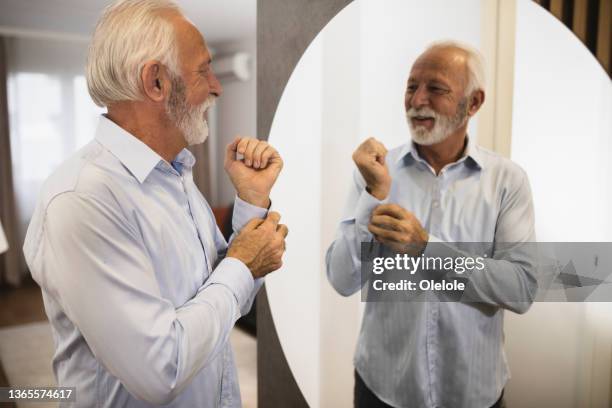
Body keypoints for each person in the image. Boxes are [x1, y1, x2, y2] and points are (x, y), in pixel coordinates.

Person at [23, 1, 287, 406]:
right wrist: (243, 264)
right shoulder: (82, 200)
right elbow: (161, 370)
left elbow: (230, 297)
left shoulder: (177, 178)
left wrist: (250, 202)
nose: (217, 87)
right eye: (204, 70)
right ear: (156, 82)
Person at [326, 41, 537, 408]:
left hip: (473, 393)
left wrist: (427, 249)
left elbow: (521, 288)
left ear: (473, 103)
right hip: (383, 388)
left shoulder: (508, 181)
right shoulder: (375, 172)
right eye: (411, 87)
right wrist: (373, 197)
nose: (417, 100)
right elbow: (341, 278)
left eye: (436, 88)